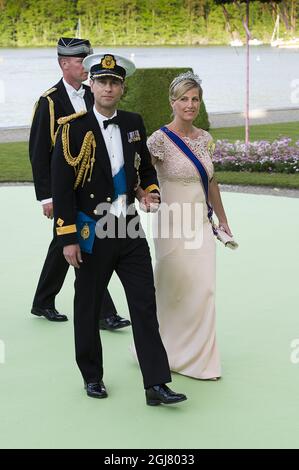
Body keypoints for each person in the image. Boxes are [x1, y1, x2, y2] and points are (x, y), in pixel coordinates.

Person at [51, 52, 187, 405]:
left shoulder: (132, 122)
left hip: (129, 227)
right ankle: (92, 376)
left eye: (114, 82)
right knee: (88, 305)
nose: (108, 87)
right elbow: (62, 188)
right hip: (91, 232)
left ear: (122, 88)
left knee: (144, 305)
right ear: (91, 85)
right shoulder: (72, 128)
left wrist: (150, 192)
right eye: (102, 81)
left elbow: (144, 169)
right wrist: (66, 238)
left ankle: (156, 384)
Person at [29, 37, 130, 331]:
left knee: (66, 241)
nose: (86, 65)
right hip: (64, 188)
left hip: (90, 186)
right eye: (80, 60)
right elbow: (39, 152)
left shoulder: (93, 93)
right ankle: (103, 312)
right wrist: (46, 197)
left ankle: (43, 300)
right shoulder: (49, 101)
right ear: (64, 64)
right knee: (79, 243)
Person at [146, 71, 233, 380]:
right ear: (173, 102)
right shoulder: (157, 140)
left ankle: (201, 360)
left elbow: (211, 180)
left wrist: (222, 218)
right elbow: (140, 178)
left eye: (195, 99)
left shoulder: (206, 139)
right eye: (184, 98)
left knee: (204, 287)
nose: (190, 104)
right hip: (171, 224)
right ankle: (166, 351)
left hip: (199, 222)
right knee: (173, 288)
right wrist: (144, 196)